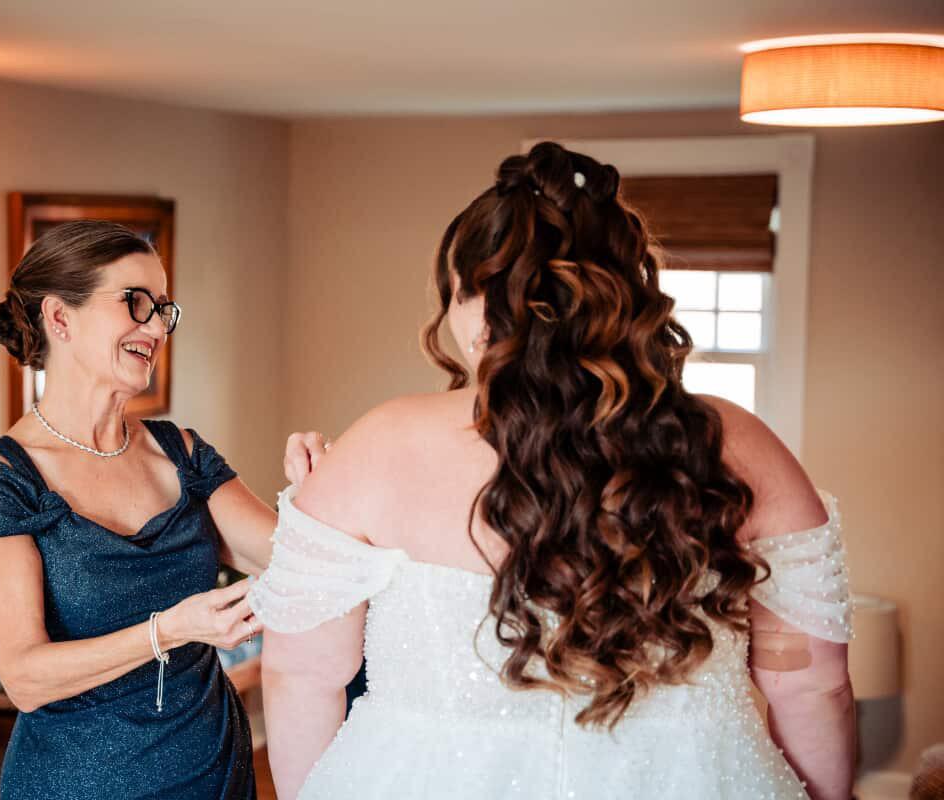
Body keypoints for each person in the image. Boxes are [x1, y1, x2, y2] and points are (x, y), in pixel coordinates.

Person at [252, 142, 855, 799]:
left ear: (469, 300)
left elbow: (302, 675)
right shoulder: (742, 445)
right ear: (629, 294)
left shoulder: (378, 446)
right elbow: (810, 683)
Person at [0, 220, 320, 799]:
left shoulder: (183, 454)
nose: (155, 327)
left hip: (212, 773)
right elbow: (24, 677)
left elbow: (304, 567)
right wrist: (169, 630)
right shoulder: (3, 477)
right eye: (136, 302)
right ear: (60, 318)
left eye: (162, 309)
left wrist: (318, 492)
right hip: (74, 783)